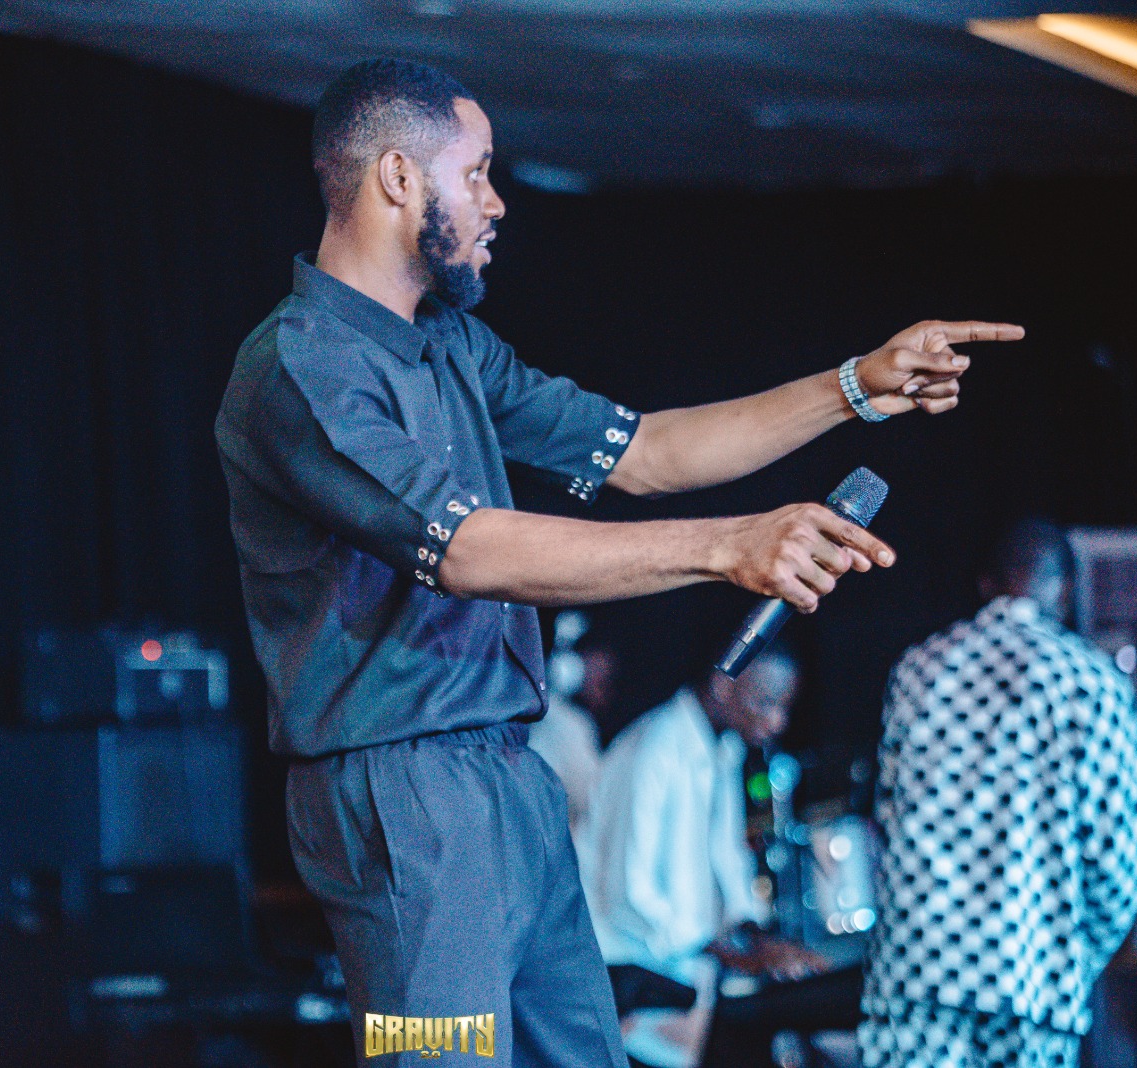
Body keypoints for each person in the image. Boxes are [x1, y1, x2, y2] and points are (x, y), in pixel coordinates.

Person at [215, 56, 1021, 1067]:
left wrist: (854, 385)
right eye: (477, 173)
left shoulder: (450, 345)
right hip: (402, 793)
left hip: (505, 773)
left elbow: (644, 451)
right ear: (397, 177)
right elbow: (465, 549)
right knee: (441, 1059)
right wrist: (728, 545)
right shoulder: (302, 366)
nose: (496, 202)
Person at [860, 519, 1137, 1068]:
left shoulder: (918, 669)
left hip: (917, 973)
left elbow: (886, 819)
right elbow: (1122, 853)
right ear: (1064, 589)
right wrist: (1075, 951)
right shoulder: (1092, 681)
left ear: (986, 584)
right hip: (1032, 978)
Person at [581, 647, 857, 1068]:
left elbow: (727, 862)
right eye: (765, 703)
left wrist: (758, 938)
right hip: (622, 989)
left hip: (677, 982)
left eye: (784, 708)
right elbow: (630, 894)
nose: (777, 722)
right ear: (722, 685)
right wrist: (738, 956)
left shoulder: (722, 749)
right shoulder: (655, 746)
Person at [529, 614, 618, 847]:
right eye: (601, 682)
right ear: (570, 666)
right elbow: (594, 798)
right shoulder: (570, 725)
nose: (603, 694)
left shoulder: (541, 713)